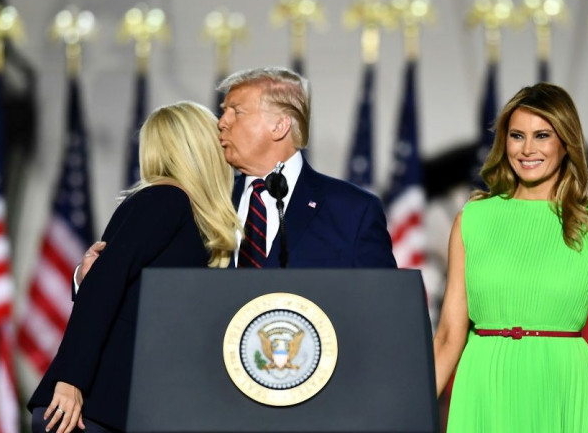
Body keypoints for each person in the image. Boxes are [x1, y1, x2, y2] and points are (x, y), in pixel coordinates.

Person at [433, 83, 588, 433]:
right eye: (517, 136)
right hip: (483, 394)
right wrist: (413, 424)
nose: (528, 149)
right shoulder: (472, 220)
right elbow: (447, 337)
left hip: (562, 393)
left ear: (566, 142)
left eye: (542, 136)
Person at [27, 101, 239, 433]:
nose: (226, 146)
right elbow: (105, 286)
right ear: (199, 148)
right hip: (83, 410)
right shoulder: (165, 198)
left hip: (134, 418)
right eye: (217, 138)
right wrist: (71, 380)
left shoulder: (195, 220)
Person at [77, 66, 395, 281]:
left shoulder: (352, 211)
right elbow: (152, 289)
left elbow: (384, 308)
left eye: (236, 112)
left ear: (279, 125)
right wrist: (88, 280)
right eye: (223, 111)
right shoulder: (198, 203)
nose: (222, 122)